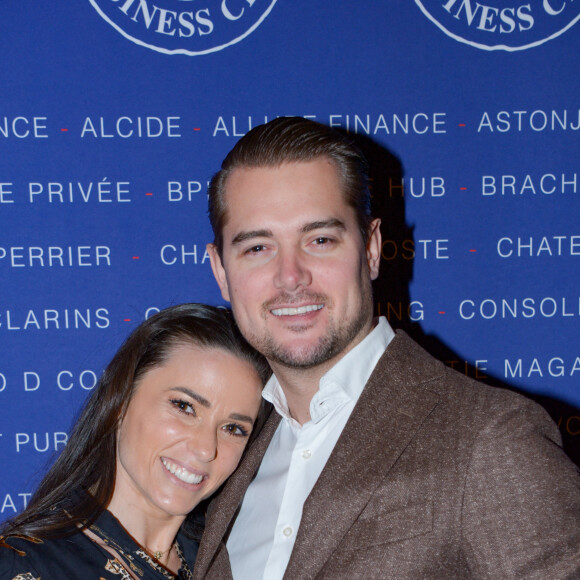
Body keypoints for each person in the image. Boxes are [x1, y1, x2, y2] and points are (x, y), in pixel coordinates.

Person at [195, 117, 580, 579]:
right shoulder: (225, 456)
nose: (291, 277)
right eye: (258, 248)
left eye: (319, 240)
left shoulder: (489, 440)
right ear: (221, 271)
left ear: (372, 248)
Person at [0, 303, 269, 579]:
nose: (204, 448)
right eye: (184, 406)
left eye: (233, 428)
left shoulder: (243, 562)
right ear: (121, 399)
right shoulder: (23, 565)